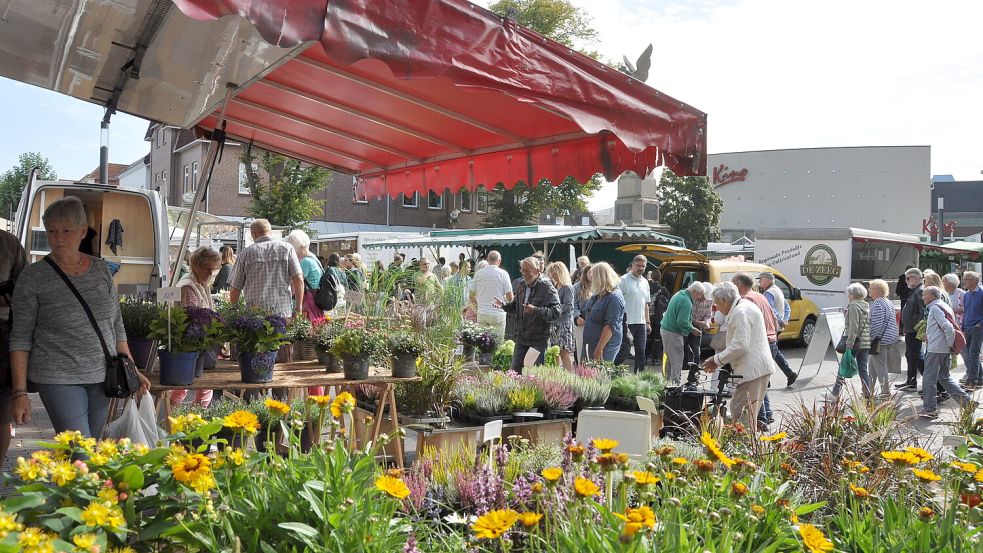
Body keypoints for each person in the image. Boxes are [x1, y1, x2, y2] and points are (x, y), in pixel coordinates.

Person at [9, 197, 150, 437]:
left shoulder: (101, 271)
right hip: (57, 376)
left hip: (103, 375)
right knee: (80, 450)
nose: (59, 238)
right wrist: (20, 392)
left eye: (67, 230)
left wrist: (132, 369)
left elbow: (116, 326)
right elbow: (20, 338)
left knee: (89, 449)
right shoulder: (33, 277)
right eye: (52, 231)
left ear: (83, 231)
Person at [701, 282, 775, 430]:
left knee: (741, 416)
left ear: (724, 301)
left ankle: (742, 449)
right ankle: (743, 447)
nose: (717, 308)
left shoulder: (740, 311)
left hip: (753, 370)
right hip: (754, 369)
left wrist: (716, 360)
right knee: (742, 413)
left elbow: (741, 345)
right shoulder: (743, 307)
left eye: (717, 304)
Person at [169, 246, 222, 409]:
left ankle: (198, 418)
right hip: (188, 345)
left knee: (205, 385)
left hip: (198, 344)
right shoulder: (188, 286)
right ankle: (175, 419)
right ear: (196, 266)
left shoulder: (201, 283)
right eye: (208, 268)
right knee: (184, 385)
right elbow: (191, 317)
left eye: (213, 269)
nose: (211, 273)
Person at [918, 286, 976, 418]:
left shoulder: (935, 307)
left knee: (929, 379)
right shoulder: (944, 305)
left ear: (931, 296)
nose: (922, 297)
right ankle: (968, 403)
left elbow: (948, 327)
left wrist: (950, 344)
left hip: (936, 349)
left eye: (924, 295)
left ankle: (930, 409)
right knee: (944, 378)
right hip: (942, 348)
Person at [494, 257, 561, 370]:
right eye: (522, 270)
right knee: (515, 371)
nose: (525, 274)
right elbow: (516, 306)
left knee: (533, 374)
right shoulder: (521, 285)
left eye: (528, 271)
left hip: (538, 339)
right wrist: (504, 305)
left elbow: (556, 312)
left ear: (537, 270)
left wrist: (535, 310)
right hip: (521, 338)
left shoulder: (546, 286)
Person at [229, 219, 304, 319]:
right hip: (283, 314)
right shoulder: (287, 249)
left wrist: (234, 312)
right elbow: (298, 279)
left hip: (255, 316)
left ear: (253, 234)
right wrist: (298, 308)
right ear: (270, 232)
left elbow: (235, 288)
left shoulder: (245, 253)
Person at [0, 229, 27, 463]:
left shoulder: (8, 243)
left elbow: (24, 287)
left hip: (2, 334)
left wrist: (10, 294)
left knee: (1, 413)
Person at [827, 283, 873, 401]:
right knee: (863, 370)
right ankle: (867, 394)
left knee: (843, 367)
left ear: (853, 294)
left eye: (849, 294)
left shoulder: (853, 306)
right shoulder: (865, 305)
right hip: (865, 342)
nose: (848, 296)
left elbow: (853, 327)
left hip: (854, 343)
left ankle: (835, 393)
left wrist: (849, 344)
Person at [660, 282, 706, 383]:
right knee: (676, 359)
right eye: (699, 294)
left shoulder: (680, 294)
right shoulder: (686, 301)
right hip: (673, 332)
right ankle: (675, 384)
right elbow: (682, 322)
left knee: (667, 357)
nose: (699, 298)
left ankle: (665, 382)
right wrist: (692, 329)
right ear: (694, 292)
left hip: (665, 329)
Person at [758, 272, 797, 387]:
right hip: (777, 326)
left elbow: (770, 309)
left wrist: (780, 320)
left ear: (767, 280)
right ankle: (788, 373)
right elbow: (787, 307)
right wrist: (785, 319)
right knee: (773, 351)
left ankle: (767, 380)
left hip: (771, 326)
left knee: (768, 352)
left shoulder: (768, 293)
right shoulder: (777, 290)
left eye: (760, 280)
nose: (759, 282)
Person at [582, 263, 625, 362]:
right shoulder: (599, 293)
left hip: (604, 345)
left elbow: (610, 326)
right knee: (586, 373)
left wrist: (599, 348)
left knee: (599, 373)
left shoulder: (614, 297)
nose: (591, 280)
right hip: (591, 342)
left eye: (594, 277)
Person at [617, 255, 652, 373]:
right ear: (632, 265)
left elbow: (646, 304)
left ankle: (639, 378)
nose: (641, 268)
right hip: (626, 322)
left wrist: (647, 322)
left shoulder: (645, 282)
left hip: (641, 323)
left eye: (643, 266)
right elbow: (617, 301)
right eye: (638, 265)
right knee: (624, 351)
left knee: (641, 352)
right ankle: (612, 373)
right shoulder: (623, 280)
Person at [469, 251, 513, 341]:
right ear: (499, 261)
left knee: (482, 343)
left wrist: (478, 305)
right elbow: (510, 297)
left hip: (483, 312)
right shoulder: (503, 274)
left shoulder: (478, 274)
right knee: (497, 343)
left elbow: (471, 295)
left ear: (488, 260)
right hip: (498, 313)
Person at [284, 230, 326, 323]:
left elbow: (297, 284)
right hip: (314, 300)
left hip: (307, 302)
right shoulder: (313, 258)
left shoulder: (305, 262)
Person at [867, 279, 900, 398]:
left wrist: (870, 339)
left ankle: (885, 391)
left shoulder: (877, 304)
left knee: (880, 366)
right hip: (888, 338)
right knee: (872, 366)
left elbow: (876, 325)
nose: (869, 291)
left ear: (877, 290)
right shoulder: (887, 302)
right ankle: (868, 389)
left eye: (871, 289)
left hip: (880, 340)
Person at [896, 268, 925, 392]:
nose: (906, 281)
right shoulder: (915, 291)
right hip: (911, 330)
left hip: (914, 331)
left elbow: (922, 312)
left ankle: (936, 385)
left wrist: (919, 330)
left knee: (916, 356)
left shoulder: (920, 291)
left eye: (908, 278)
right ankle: (911, 382)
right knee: (911, 356)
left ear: (916, 278)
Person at [546, 261, 575, 371]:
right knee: (555, 351)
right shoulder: (556, 286)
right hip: (555, 324)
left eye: (554, 273)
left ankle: (569, 375)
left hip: (564, 324)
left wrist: (553, 309)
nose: (552, 275)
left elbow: (568, 305)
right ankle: (556, 374)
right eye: (551, 273)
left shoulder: (567, 287)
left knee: (564, 352)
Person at [960, 272, 983, 390]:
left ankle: (972, 380)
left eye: (966, 279)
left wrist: (980, 324)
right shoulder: (967, 295)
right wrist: (962, 327)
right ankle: (979, 379)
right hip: (968, 327)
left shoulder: (981, 292)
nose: (964, 281)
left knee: (973, 354)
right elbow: (966, 312)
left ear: (974, 280)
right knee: (969, 354)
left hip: (978, 328)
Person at [685, 282, 714, 365]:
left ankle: (696, 368)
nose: (705, 299)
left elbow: (708, 314)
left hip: (699, 326)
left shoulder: (710, 300)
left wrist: (706, 323)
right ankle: (686, 366)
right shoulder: (692, 298)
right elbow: (687, 315)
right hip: (687, 324)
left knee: (696, 349)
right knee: (685, 346)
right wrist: (696, 322)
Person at [646, 269, 669, 365]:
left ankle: (645, 357)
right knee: (658, 339)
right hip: (658, 317)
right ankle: (655, 359)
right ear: (660, 278)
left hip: (647, 316)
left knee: (647, 338)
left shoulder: (646, 287)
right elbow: (667, 304)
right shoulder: (663, 290)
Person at [572, 264, 593, 363]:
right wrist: (577, 316)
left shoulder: (599, 287)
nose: (593, 274)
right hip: (581, 322)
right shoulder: (576, 287)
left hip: (594, 322)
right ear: (585, 274)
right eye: (590, 272)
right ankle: (581, 368)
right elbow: (573, 304)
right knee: (580, 347)